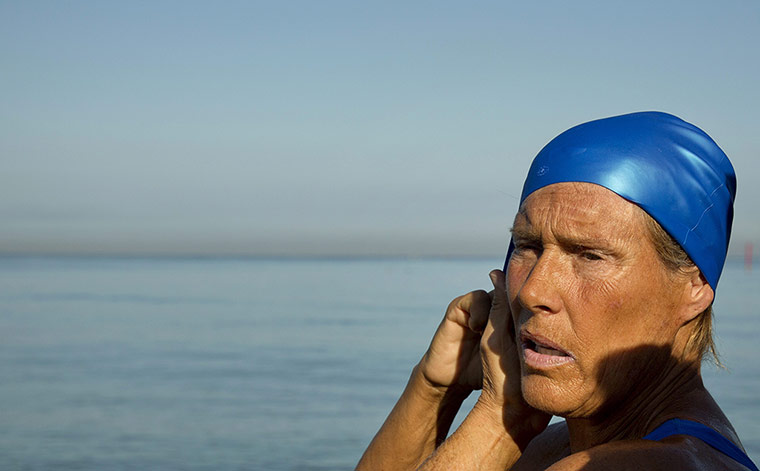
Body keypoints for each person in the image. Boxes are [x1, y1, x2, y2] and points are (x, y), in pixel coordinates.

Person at [356, 112, 758, 470]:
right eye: (528, 247)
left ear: (695, 286)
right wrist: (433, 390)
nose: (533, 291)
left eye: (590, 256)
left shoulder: (647, 464)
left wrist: (498, 422)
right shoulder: (563, 446)